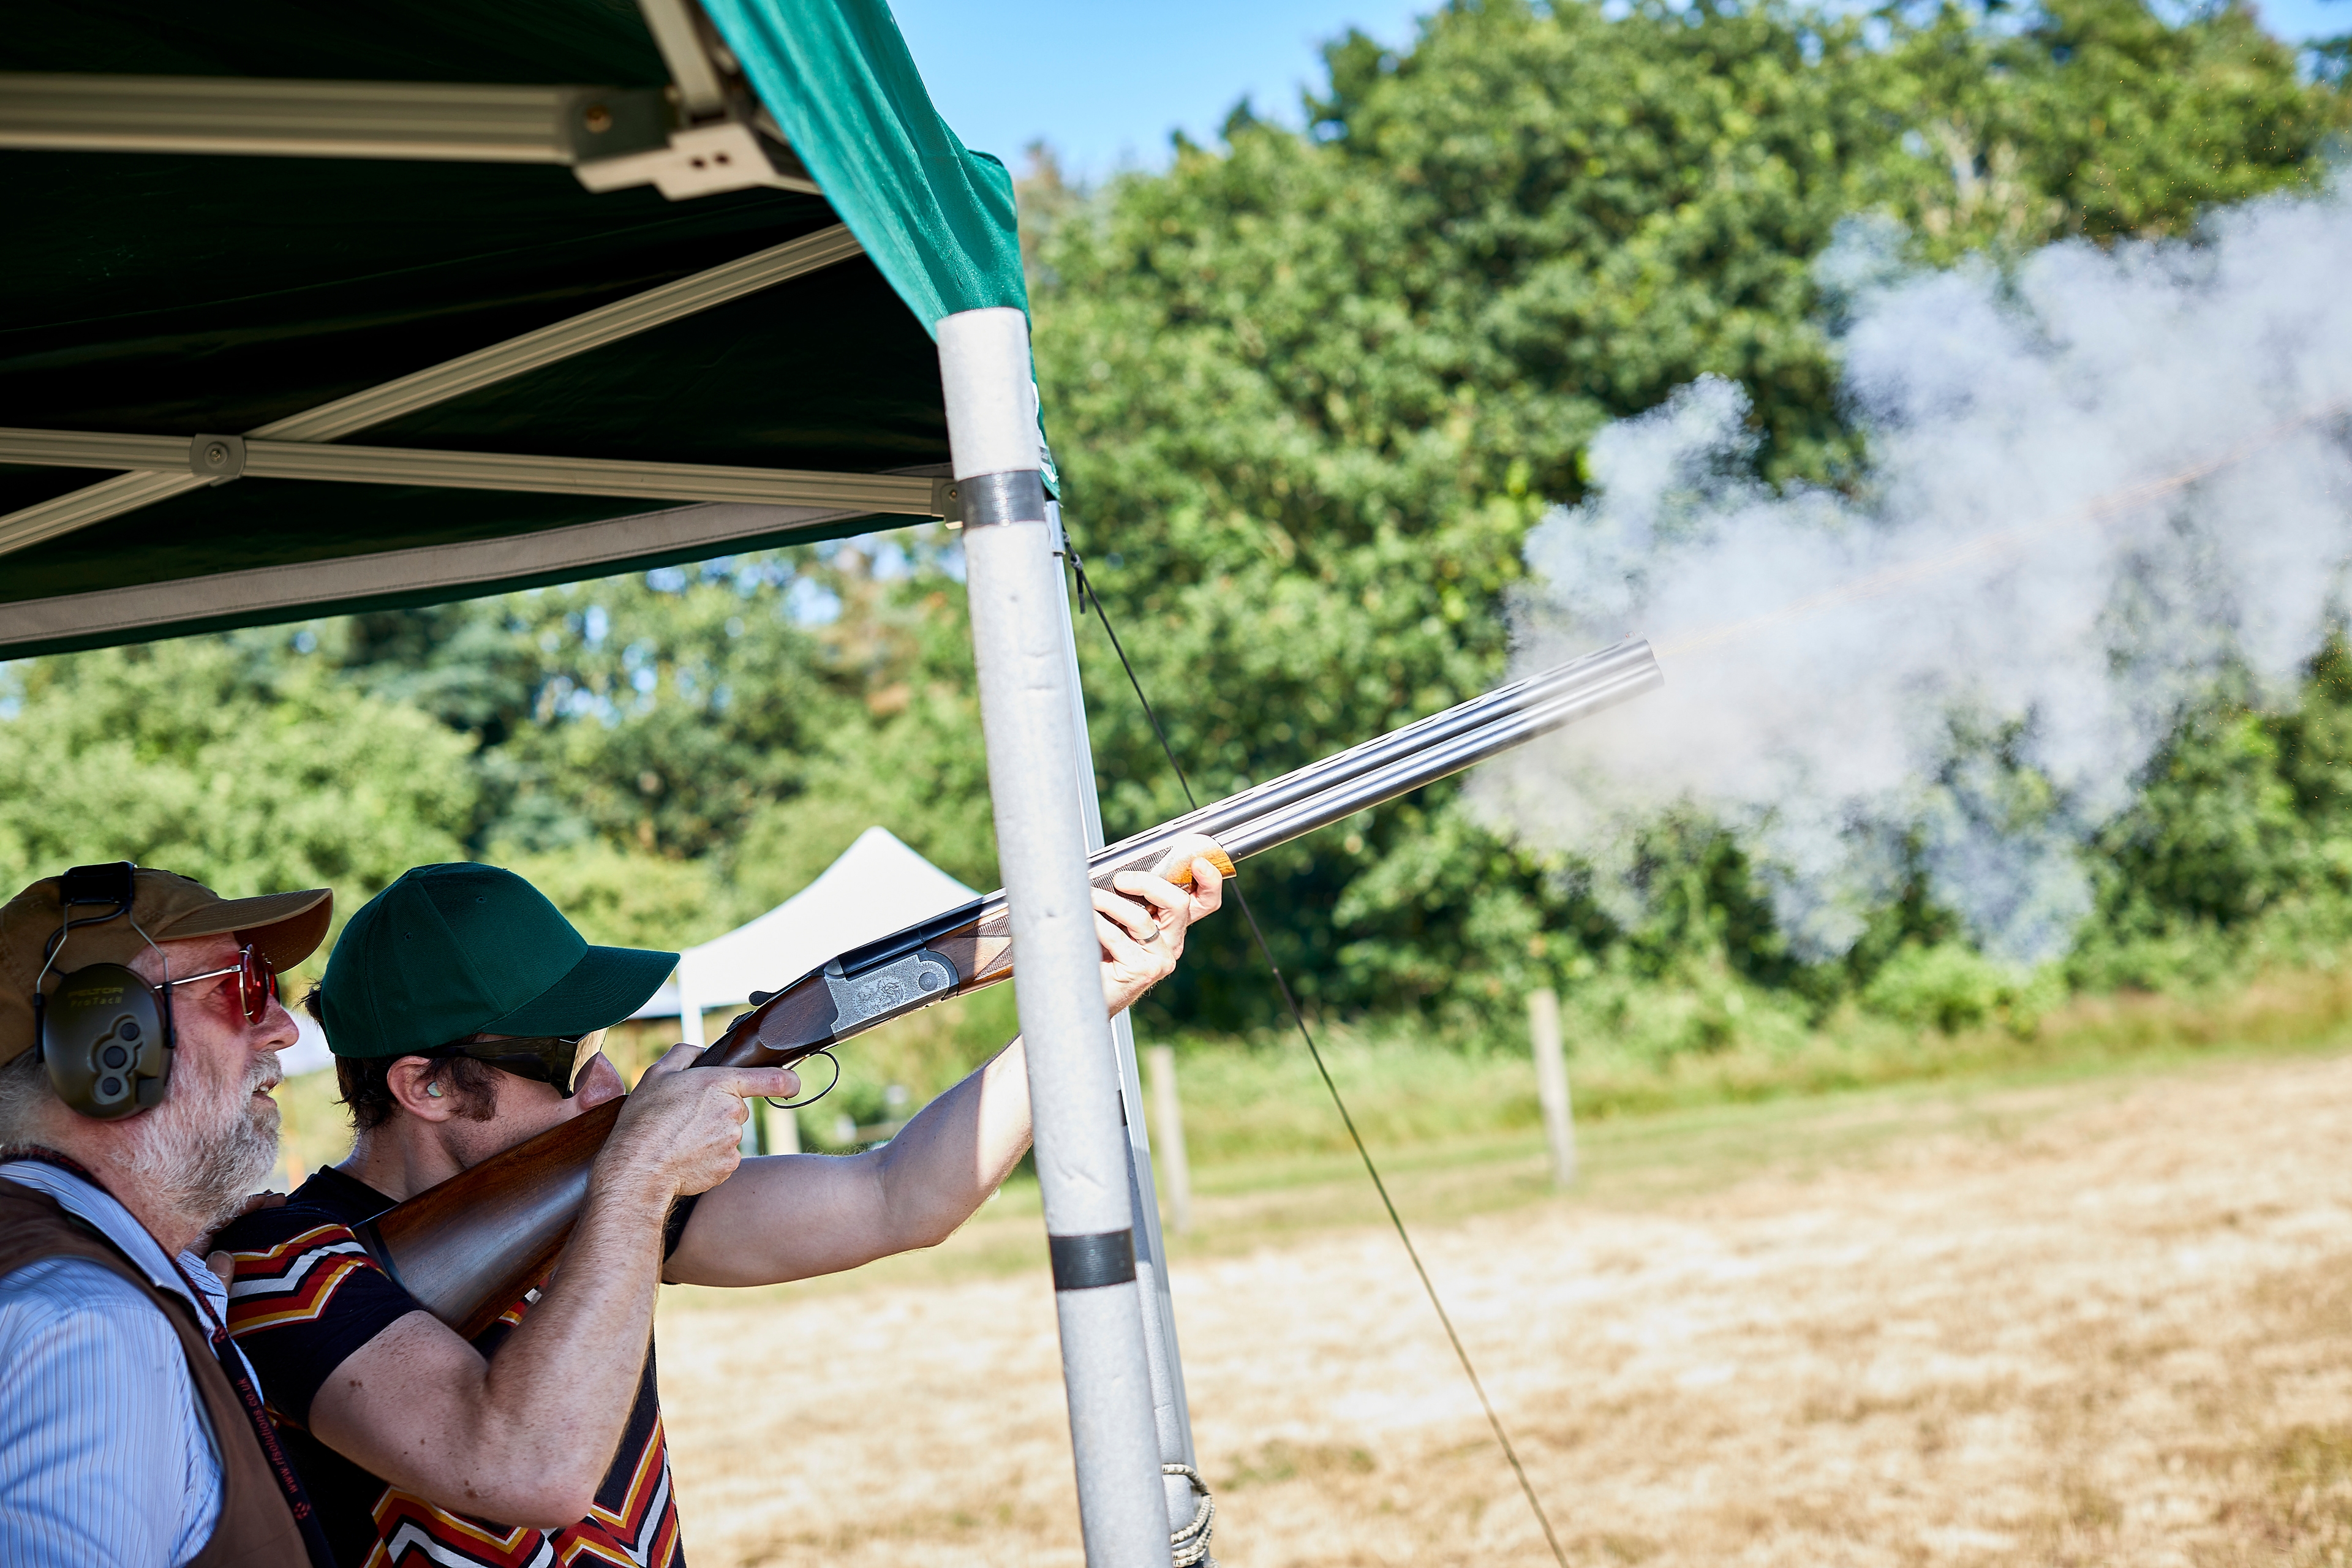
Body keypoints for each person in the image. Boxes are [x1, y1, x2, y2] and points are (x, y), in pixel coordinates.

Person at [221, 853, 1220, 1567]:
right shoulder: (283, 1265)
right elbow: (526, 1468)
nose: (608, 1084)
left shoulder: (596, 1199)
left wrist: (1075, 1004)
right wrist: (639, 1175)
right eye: (567, 1060)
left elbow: (899, 1198)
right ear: (426, 1086)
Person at [0, 863, 333, 1567]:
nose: (283, 1028)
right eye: (240, 987)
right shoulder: (91, 1328)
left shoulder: (77, 1269)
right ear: (102, 1041)